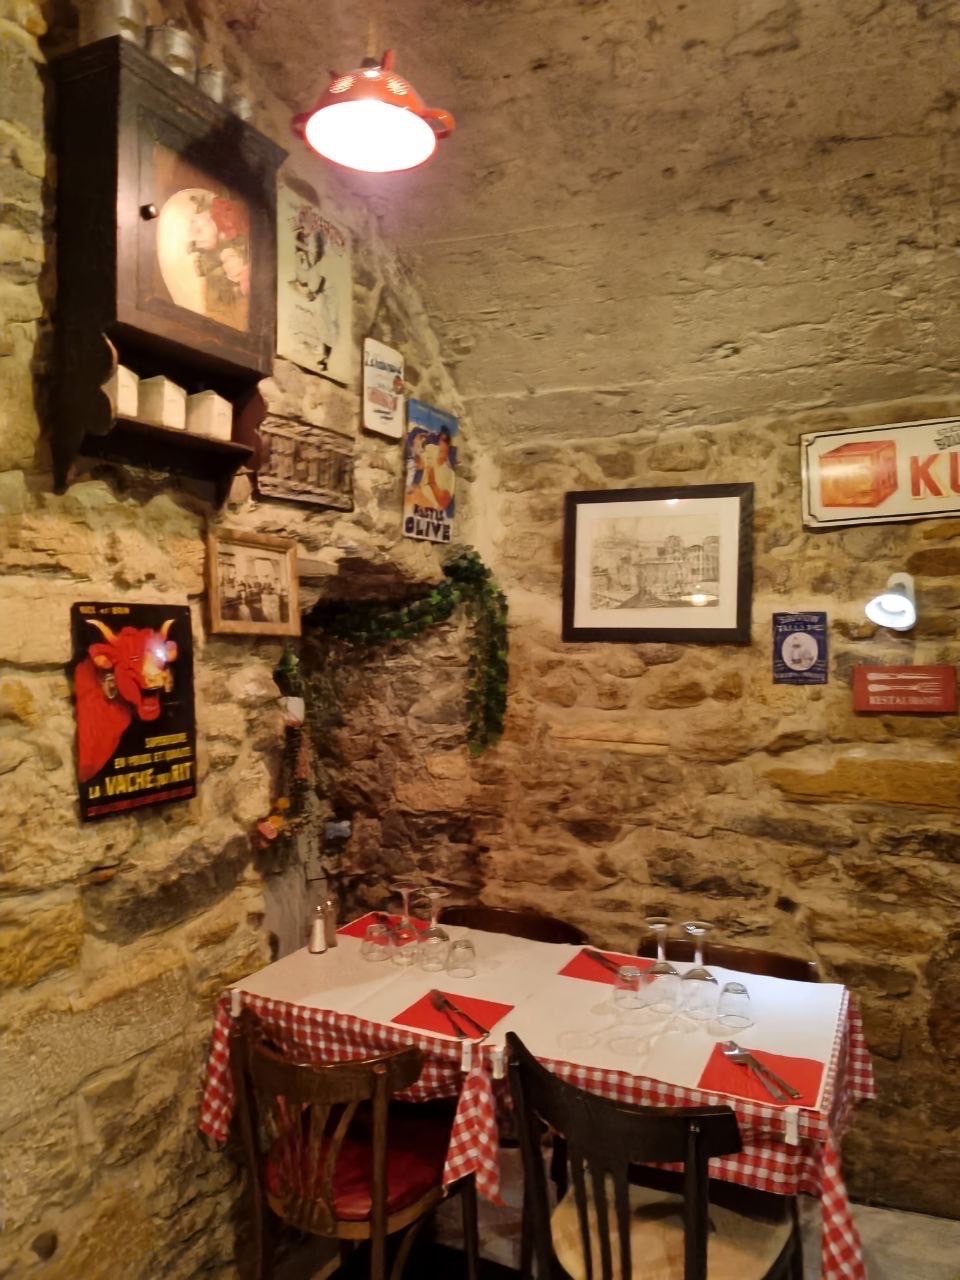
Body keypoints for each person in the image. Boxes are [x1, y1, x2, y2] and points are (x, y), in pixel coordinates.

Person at [412, 426, 456, 514]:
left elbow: (443, 503)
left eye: (446, 441)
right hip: (417, 497)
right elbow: (419, 462)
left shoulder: (450, 474)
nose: (443, 444)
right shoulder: (431, 450)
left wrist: (432, 483)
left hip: (430, 508)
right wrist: (417, 446)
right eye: (442, 439)